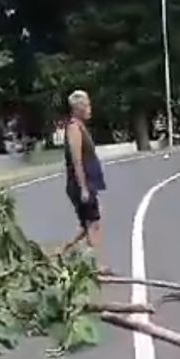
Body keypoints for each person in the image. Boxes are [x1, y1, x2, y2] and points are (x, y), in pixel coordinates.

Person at [62, 90, 106, 262]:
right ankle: (95, 265)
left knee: (90, 222)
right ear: (78, 108)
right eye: (86, 105)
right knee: (93, 224)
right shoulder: (74, 128)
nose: (90, 108)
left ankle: (63, 250)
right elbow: (76, 160)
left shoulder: (80, 127)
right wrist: (83, 188)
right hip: (81, 184)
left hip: (88, 183)